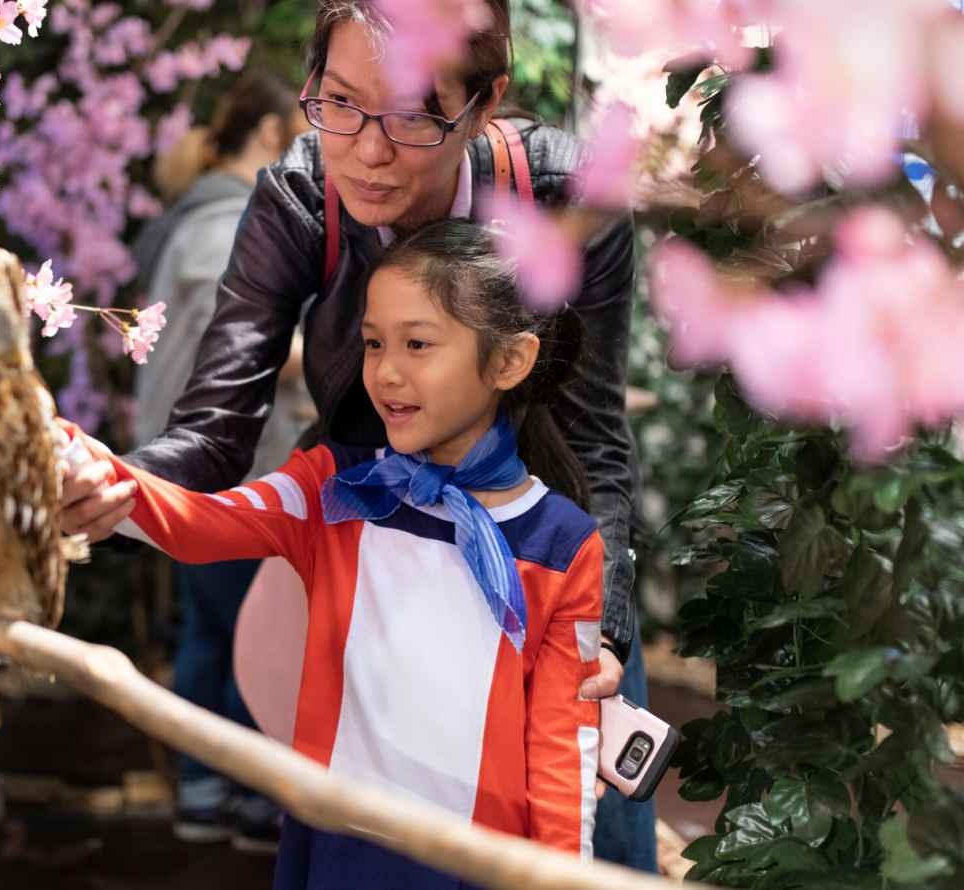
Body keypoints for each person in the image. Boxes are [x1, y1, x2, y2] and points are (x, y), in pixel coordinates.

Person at [63, 0, 654, 870]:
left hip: (543, 572)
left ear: (484, 103)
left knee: (589, 844)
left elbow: (594, 440)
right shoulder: (302, 195)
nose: (367, 152)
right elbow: (213, 437)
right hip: (381, 549)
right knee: (365, 831)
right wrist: (101, 483)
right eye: (338, 103)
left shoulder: (567, 199)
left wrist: (598, 629)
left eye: (415, 117)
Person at [62, 220, 602, 887]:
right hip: (338, 850)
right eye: (374, 344)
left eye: (418, 344)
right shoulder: (335, 489)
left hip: (480, 868)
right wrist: (74, 462)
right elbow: (200, 522)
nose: (387, 372)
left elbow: (560, 748)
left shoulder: (564, 542)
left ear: (509, 362)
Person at [131, 72, 314, 852]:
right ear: (272, 136)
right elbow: (234, 346)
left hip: (192, 468)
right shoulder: (226, 220)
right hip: (227, 470)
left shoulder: (192, 215)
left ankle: (207, 797)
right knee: (248, 633)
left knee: (213, 631)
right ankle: (239, 800)